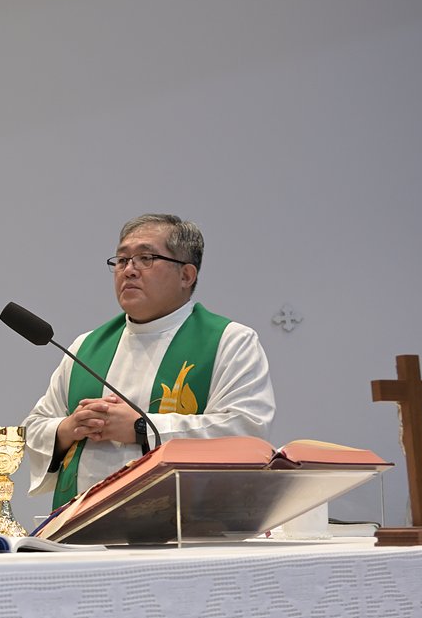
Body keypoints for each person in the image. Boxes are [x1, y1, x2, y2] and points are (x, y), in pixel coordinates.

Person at [22, 213, 276, 509]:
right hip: (82, 523)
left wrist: (142, 427)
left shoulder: (230, 341)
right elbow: (34, 428)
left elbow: (244, 433)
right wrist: (67, 428)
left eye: (146, 258)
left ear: (186, 275)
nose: (129, 270)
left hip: (180, 525)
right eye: (121, 260)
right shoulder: (85, 347)